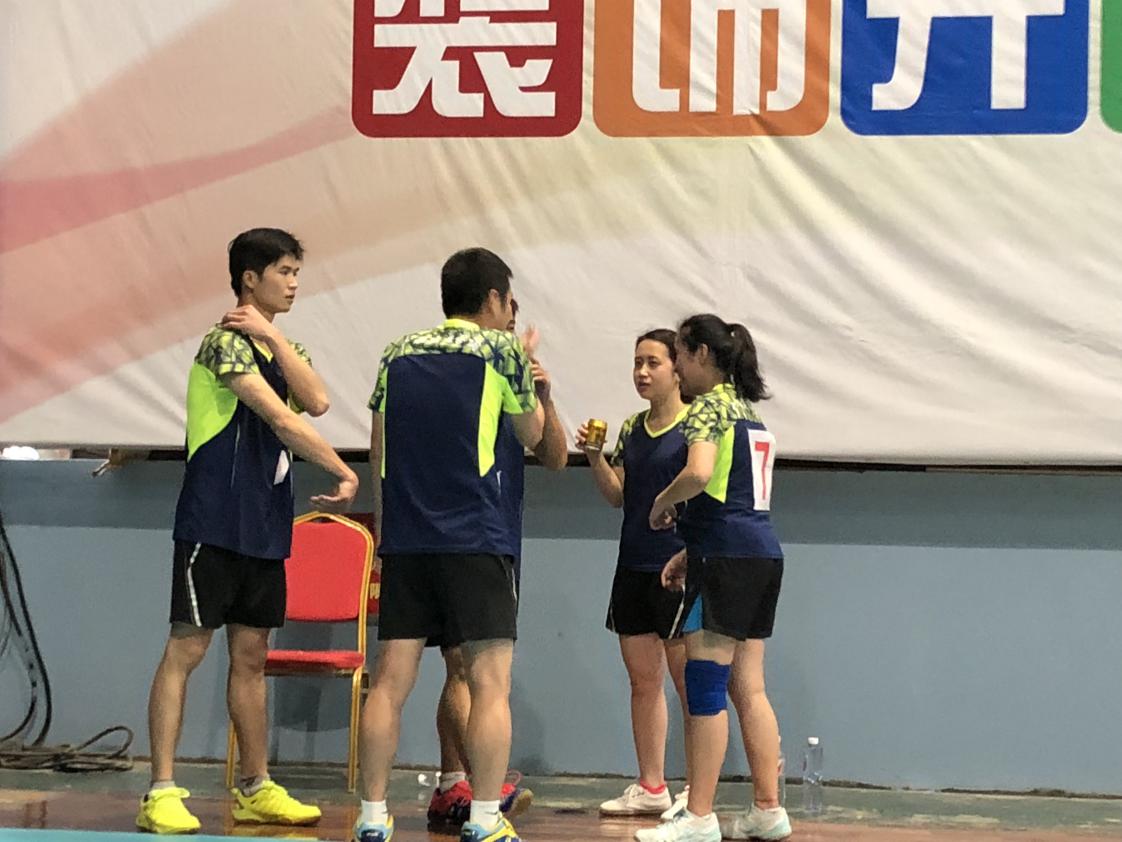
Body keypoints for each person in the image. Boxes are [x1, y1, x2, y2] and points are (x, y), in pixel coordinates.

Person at [136, 228, 359, 835]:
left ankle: (255, 788)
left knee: (252, 656)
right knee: (187, 649)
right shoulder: (223, 344)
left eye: (296, 273)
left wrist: (275, 338)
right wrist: (341, 470)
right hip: (213, 519)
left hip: (264, 524)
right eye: (284, 272)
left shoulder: (282, 346)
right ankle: (160, 789)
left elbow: (316, 401)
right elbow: (282, 419)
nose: (293, 283)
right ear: (249, 279)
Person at [355, 248, 545, 842]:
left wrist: (386, 530)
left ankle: (372, 816)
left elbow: (379, 447)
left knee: (390, 682)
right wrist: (528, 376)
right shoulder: (502, 352)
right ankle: (485, 818)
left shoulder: (397, 353)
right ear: (493, 298)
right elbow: (533, 433)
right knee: (489, 684)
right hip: (477, 536)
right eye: (507, 300)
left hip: (407, 540)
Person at [636, 314, 790, 842]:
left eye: (679, 354)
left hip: (724, 558)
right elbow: (737, 493)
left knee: (705, 685)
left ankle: (699, 816)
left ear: (702, 354)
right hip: (760, 555)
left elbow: (699, 473)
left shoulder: (707, 409)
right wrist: (690, 551)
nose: (676, 367)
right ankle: (768, 808)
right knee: (750, 687)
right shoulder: (750, 414)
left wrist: (661, 504)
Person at [426, 302, 568, 827]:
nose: (509, 330)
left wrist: (543, 396)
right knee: (462, 665)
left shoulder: (513, 378)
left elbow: (555, 457)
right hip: (456, 533)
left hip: (499, 535)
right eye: (503, 317)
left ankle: (452, 786)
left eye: (513, 324)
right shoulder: (451, 373)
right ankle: (479, 786)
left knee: (465, 668)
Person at [575, 329, 693, 819]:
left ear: (677, 370)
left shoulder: (695, 427)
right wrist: (594, 458)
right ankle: (652, 785)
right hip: (633, 566)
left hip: (678, 571)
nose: (642, 372)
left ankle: (697, 791)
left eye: (653, 363)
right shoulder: (631, 428)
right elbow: (618, 496)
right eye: (637, 362)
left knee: (690, 685)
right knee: (643, 683)